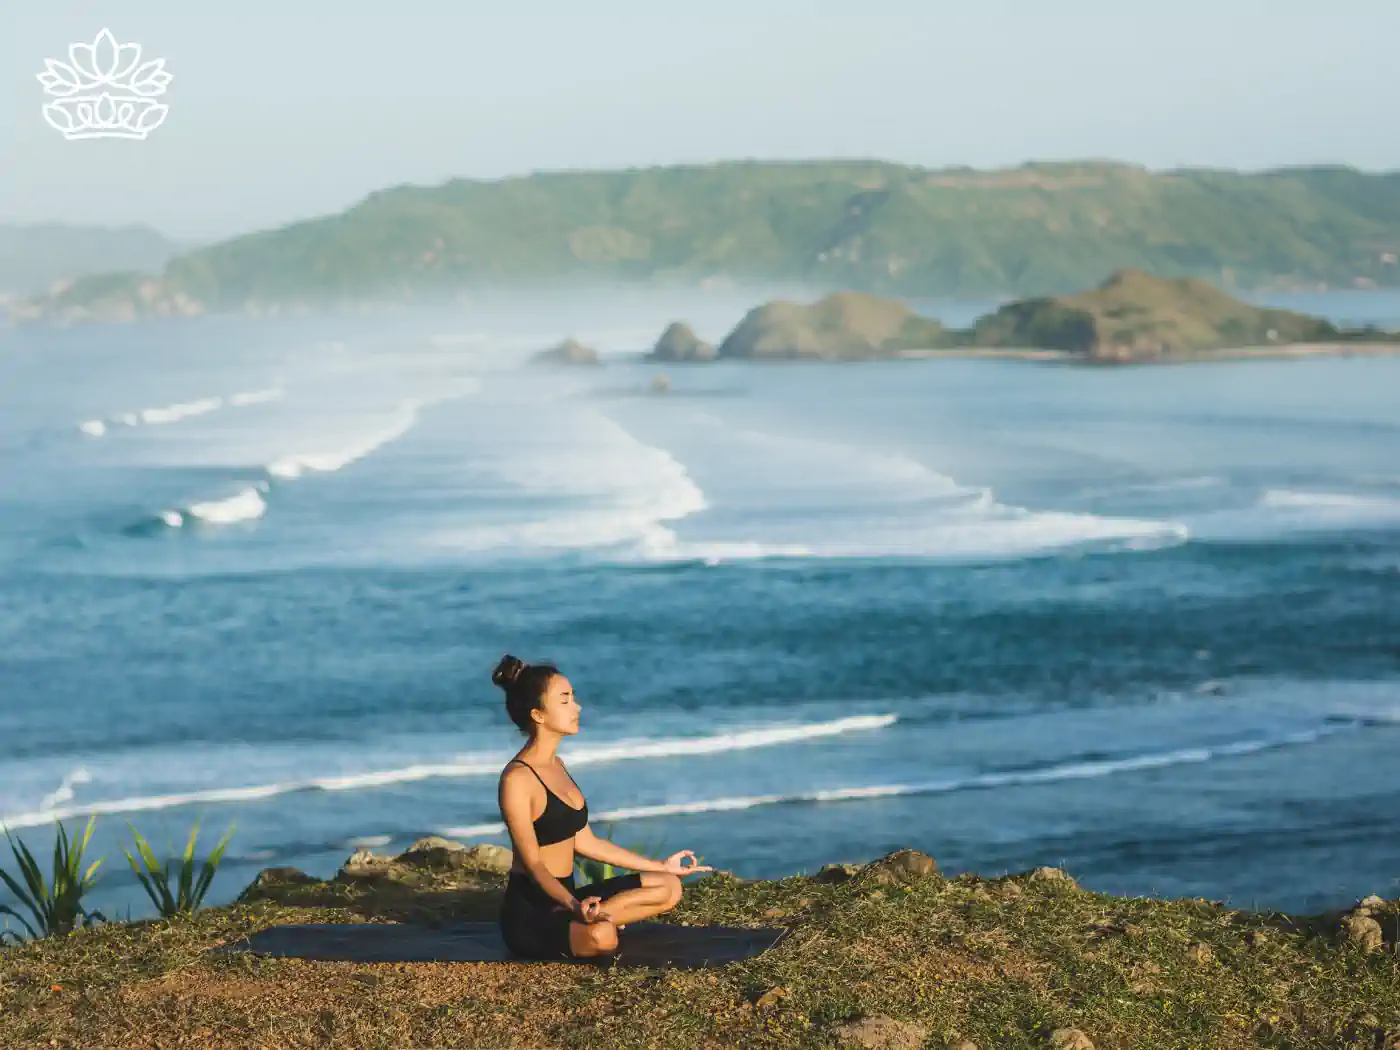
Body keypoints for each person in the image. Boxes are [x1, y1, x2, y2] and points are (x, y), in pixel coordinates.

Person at [493, 654, 714, 960]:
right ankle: (596, 922)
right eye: (565, 700)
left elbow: (587, 842)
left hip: (570, 899)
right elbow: (533, 865)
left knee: (669, 887)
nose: (577, 707)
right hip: (533, 912)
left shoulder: (557, 764)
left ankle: (598, 916)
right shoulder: (518, 779)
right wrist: (573, 906)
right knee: (602, 938)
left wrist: (662, 866)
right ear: (538, 715)